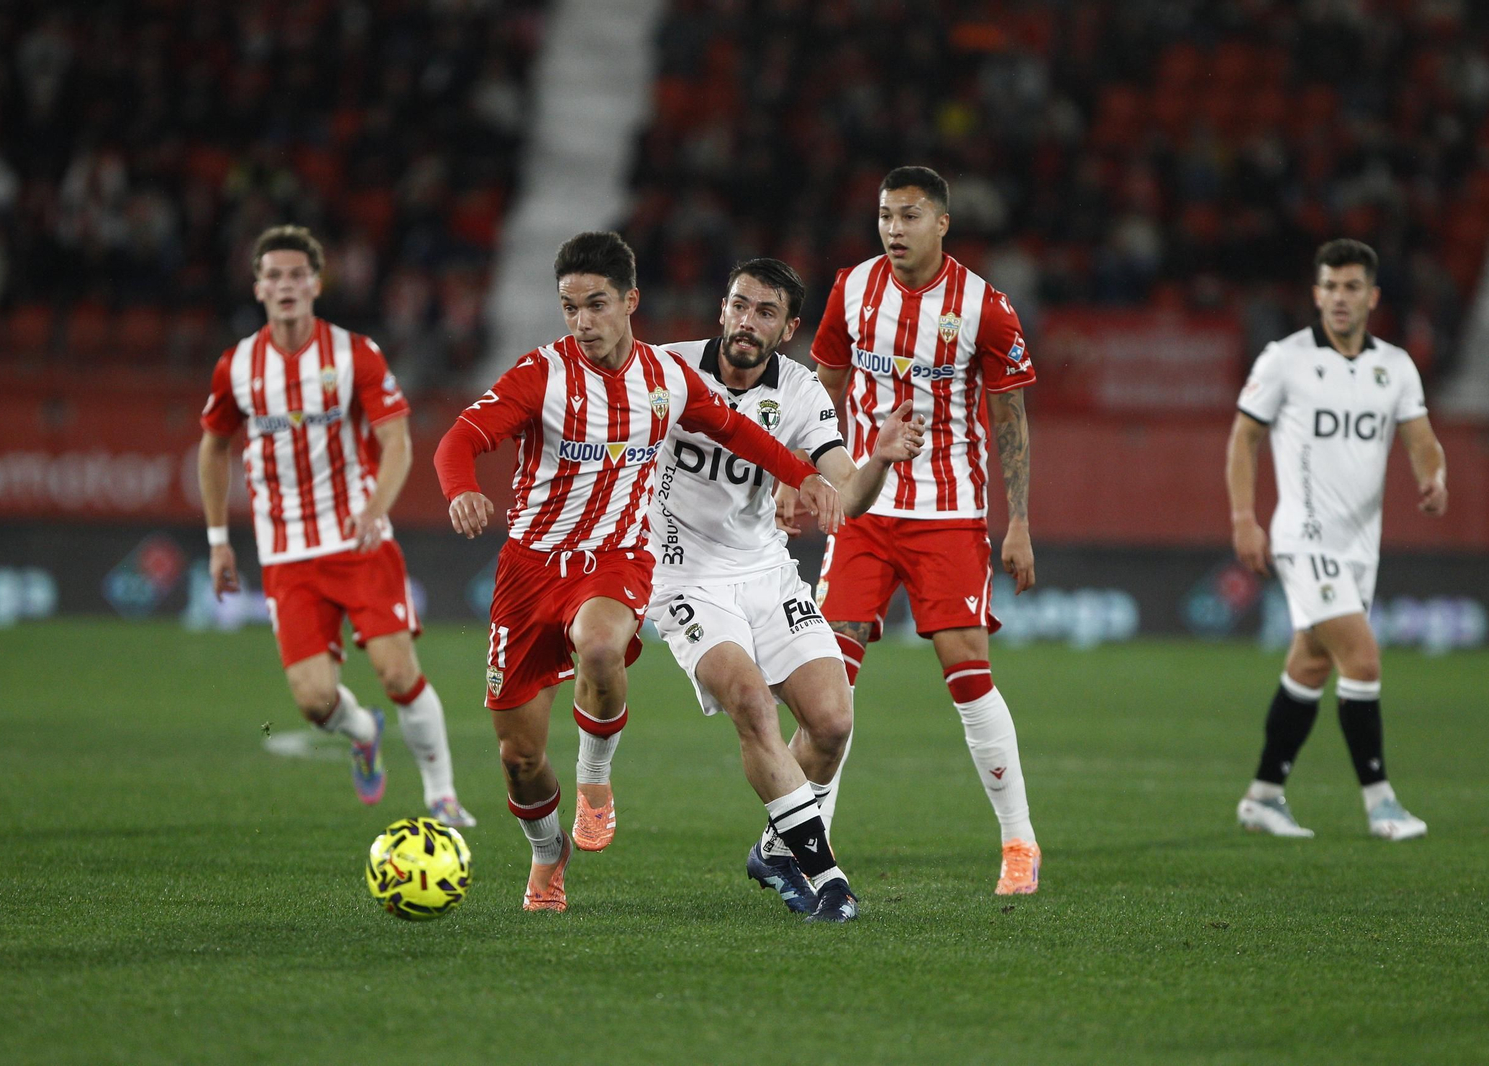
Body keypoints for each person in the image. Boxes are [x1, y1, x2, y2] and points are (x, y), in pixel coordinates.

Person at [434, 231, 843, 913]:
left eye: (596, 305)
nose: (582, 322)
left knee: (600, 647)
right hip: (530, 568)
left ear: (630, 301)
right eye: (570, 308)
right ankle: (547, 854)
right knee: (520, 759)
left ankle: (595, 777)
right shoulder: (541, 375)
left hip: (617, 557)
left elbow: (735, 429)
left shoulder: (665, 378)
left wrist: (801, 476)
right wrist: (460, 489)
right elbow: (459, 440)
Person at [650, 258, 925, 923]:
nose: (748, 322)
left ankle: (775, 849)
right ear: (722, 308)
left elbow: (849, 495)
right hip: (685, 576)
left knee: (832, 723)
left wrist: (881, 457)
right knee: (751, 701)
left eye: (766, 312)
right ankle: (826, 876)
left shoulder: (799, 391)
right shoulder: (667, 369)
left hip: (766, 570)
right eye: (740, 306)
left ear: (788, 328)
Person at [794, 165, 1043, 895]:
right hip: (863, 511)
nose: (894, 230)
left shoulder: (984, 307)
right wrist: (797, 472)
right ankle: (810, 849)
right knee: (829, 683)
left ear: (941, 223)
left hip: (949, 514)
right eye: (884, 216)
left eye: (908, 216)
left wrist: (1020, 522)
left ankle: (1019, 841)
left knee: (968, 675)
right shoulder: (851, 289)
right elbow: (821, 387)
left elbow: (1009, 416)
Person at [198, 225, 476, 829]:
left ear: (316, 284)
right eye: (274, 275)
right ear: (258, 287)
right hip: (286, 554)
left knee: (398, 672)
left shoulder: (353, 354)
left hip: (357, 541)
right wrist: (219, 542)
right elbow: (213, 446)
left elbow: (397, 440)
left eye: (297, 275)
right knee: (314, 701)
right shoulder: (236, 366)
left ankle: (442, 796)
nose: (286, 285)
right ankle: (363, 731)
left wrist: (375, 507)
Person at [1227, 238, 1448, 841]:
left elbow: (1422, 439)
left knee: (1311, 663)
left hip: (1359, 545)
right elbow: (1244, 438)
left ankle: (1263, 796)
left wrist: (1435, 476)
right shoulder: (1285, 360)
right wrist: (1244, 519)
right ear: (1316, 293)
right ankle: (1381, 803)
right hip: (1304, 537)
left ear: (1372, 296)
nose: (1340, 298)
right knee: (1363, 658)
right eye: (1330, 286)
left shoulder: (1395, 366)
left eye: (1352, 287)